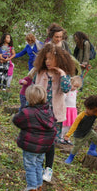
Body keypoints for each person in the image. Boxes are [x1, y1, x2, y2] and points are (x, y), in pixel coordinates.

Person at [33, 43, 74, 182]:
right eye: (46, 59)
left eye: (50, 59)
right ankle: (38, 166)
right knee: (38, 140)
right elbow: (34, 91)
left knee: (50, 143)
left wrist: (62, 74)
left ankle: (48, 169)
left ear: (58, 59)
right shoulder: (40, 73)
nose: (48, 62)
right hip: (40, 113)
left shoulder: (63, 75)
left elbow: (67, 89)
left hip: (55, 115)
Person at [12, 85, 56, 191]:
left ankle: (31, 189)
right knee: (38, 165)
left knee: (30, 166)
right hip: (43, 146)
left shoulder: (27, 112)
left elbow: (16, 120)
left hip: (30, 145)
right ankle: (38, 187)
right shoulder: (48, 111)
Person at [64, 95, 97, 164]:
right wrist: (68, 135)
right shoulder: (81, 116)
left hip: (88, 131)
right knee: (76, 147)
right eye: (94, 111)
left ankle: (91, 150)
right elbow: (74, 126)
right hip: (79, 135)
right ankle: (71, 157)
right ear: (87, 108)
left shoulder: (96, 113)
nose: (96, 112)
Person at [61, 76, 83, 143]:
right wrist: (66, 94)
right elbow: (63, 99)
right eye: (74, 86)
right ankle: (61, 137)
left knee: (71, 125)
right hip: (67, 109)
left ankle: (67, 137)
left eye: (77, 87)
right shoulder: (66, 91)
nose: (75, 88)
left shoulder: (74, 91)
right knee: (65, 125)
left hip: (73, 110)